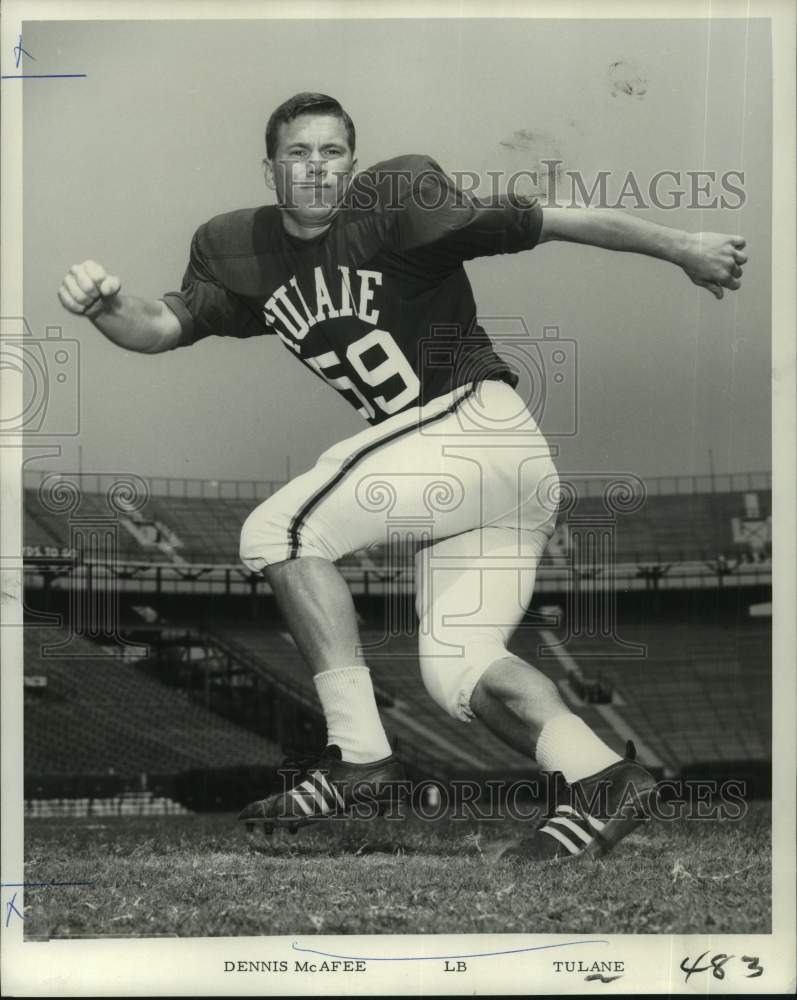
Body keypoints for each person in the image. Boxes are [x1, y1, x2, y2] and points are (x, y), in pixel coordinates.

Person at [58, 92, 746, 861]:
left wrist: (682, 244)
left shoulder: (396, 204)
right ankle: (603, 779)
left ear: (351, 163)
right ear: (269, 168)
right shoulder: (240, 249)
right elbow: (161, 326)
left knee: (280, 529)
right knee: (461, 670)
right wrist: (105, 307)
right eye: (298, 153)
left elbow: (550, 218)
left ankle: (360, 762)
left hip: (474, 426)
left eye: (330, 152)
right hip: (477, 482)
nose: (316, 168)